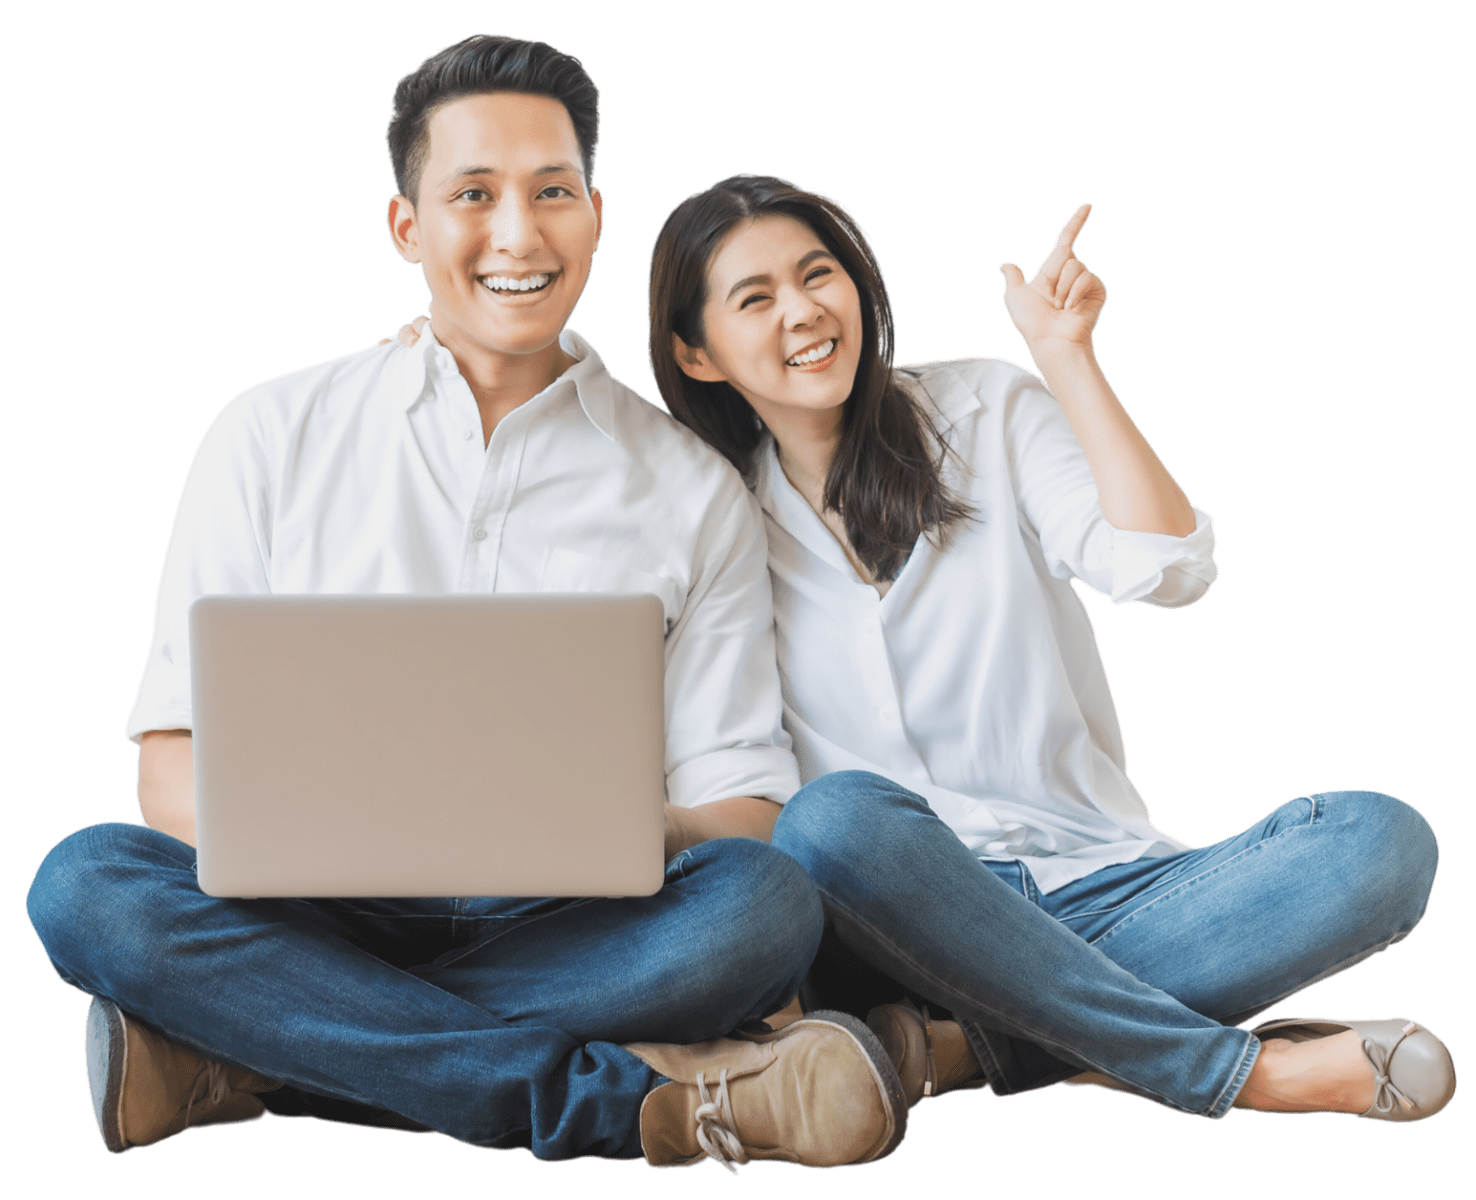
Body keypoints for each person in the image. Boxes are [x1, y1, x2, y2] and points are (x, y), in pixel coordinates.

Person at [23, 43, 913, 1173]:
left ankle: (242, 1049)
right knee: (86, 884)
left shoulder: (690, 487)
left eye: (551, 194)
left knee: (766, 909)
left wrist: (617, 828)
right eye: (473, 196)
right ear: (407, 227)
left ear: (594, 217)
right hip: (312, 911)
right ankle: (640, 1105)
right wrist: (307, 850)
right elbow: (170, 772)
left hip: (568, 921)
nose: (518, 235)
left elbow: (742, 807)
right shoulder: (268, 432)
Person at [637, 172, 1453, 1121]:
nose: (805, 311)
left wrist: (1066, 358)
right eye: (756, 298)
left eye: (820, 275)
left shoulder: (984, 407)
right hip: (894, 922)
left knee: (1382, 843)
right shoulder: (708, 522)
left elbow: (1164, 568)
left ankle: (957, 1050)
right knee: (830, 820)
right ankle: (1245, 1072)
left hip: (1106, 881)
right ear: (696, 354)